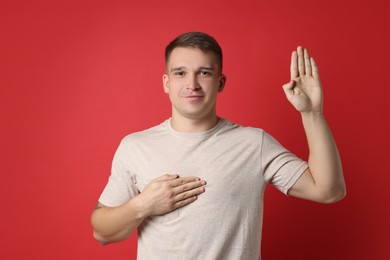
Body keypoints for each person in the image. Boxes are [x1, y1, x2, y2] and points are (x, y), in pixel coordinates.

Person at [91, 32, 346, 259]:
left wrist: (312, 113)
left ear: (220, 82)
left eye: (204, 72)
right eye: (180, 73)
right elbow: (101, 231)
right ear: (167, 83)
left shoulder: (253, 143)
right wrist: (144, 205)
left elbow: (328, 190)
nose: (192, 84)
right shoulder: (135, 146)